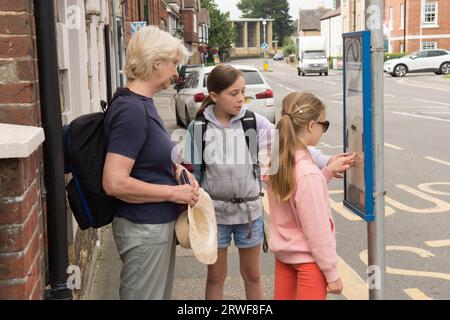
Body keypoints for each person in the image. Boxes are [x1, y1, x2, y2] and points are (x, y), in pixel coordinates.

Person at [184, 65, 348, 300]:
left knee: (252, 275)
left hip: (249, 213)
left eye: (243, 92)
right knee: (215, 277)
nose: (241, 99)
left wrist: (325, 161)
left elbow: (288, 143)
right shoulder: (198, 128)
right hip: (214, 214)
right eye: (233, 93)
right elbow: (191, 171)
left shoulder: (251, 121)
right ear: (214, 96)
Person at [102, 26, 199, 300]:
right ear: (156, 63)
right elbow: (114, 182)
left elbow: (146, 158)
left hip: (153, 228)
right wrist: (173, 192)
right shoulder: (132, 110)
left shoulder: (143, 103)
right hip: (143, 229)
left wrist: (179, 172)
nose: (176, 72)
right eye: (173, 63)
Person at [263, 92, 355, 300]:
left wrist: (327, 171)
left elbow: (294, 195)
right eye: (324, 124)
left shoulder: (278, 163)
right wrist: (332, 275)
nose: (323, 129)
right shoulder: (307, 174)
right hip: (309, 264)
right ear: (311, 125)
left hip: (285, 258)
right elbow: (318, 232)